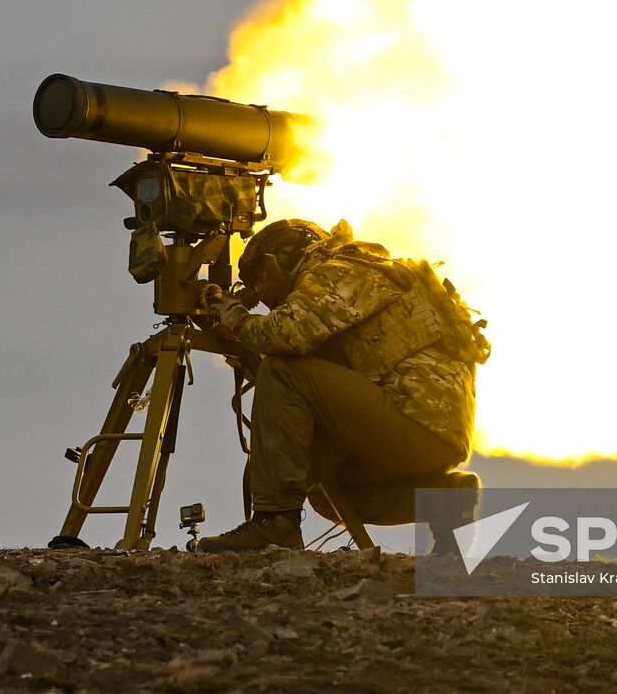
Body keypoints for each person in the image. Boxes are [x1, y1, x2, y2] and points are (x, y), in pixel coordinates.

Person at [198, 218, 484, 553]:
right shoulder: (358, 273)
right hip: (432, 433)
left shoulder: (334, 270)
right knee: (321, 488)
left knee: (282, 369)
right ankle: (445, 500)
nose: (261, 294)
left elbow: (282, 336)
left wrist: (235, 317)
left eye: (261, 279)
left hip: (413, 420)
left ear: (283, 260)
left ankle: (275, 523)